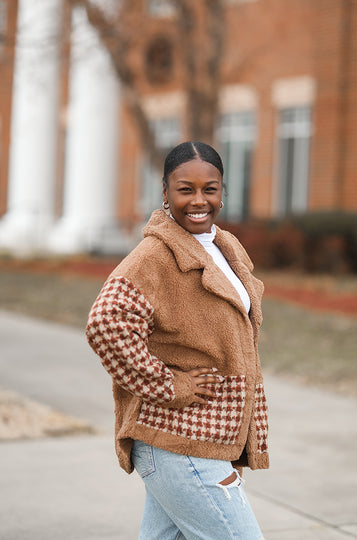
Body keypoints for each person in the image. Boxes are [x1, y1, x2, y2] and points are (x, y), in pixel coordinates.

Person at [86, 141, 269, 540]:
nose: (199, 200)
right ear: (165, 192)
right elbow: (105, 324)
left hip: (202, 438)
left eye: (210, 188)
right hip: (180, 439)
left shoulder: (225, 246)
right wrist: (172, 385)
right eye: (186, 189)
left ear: (223, 191)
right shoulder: (153, 255)